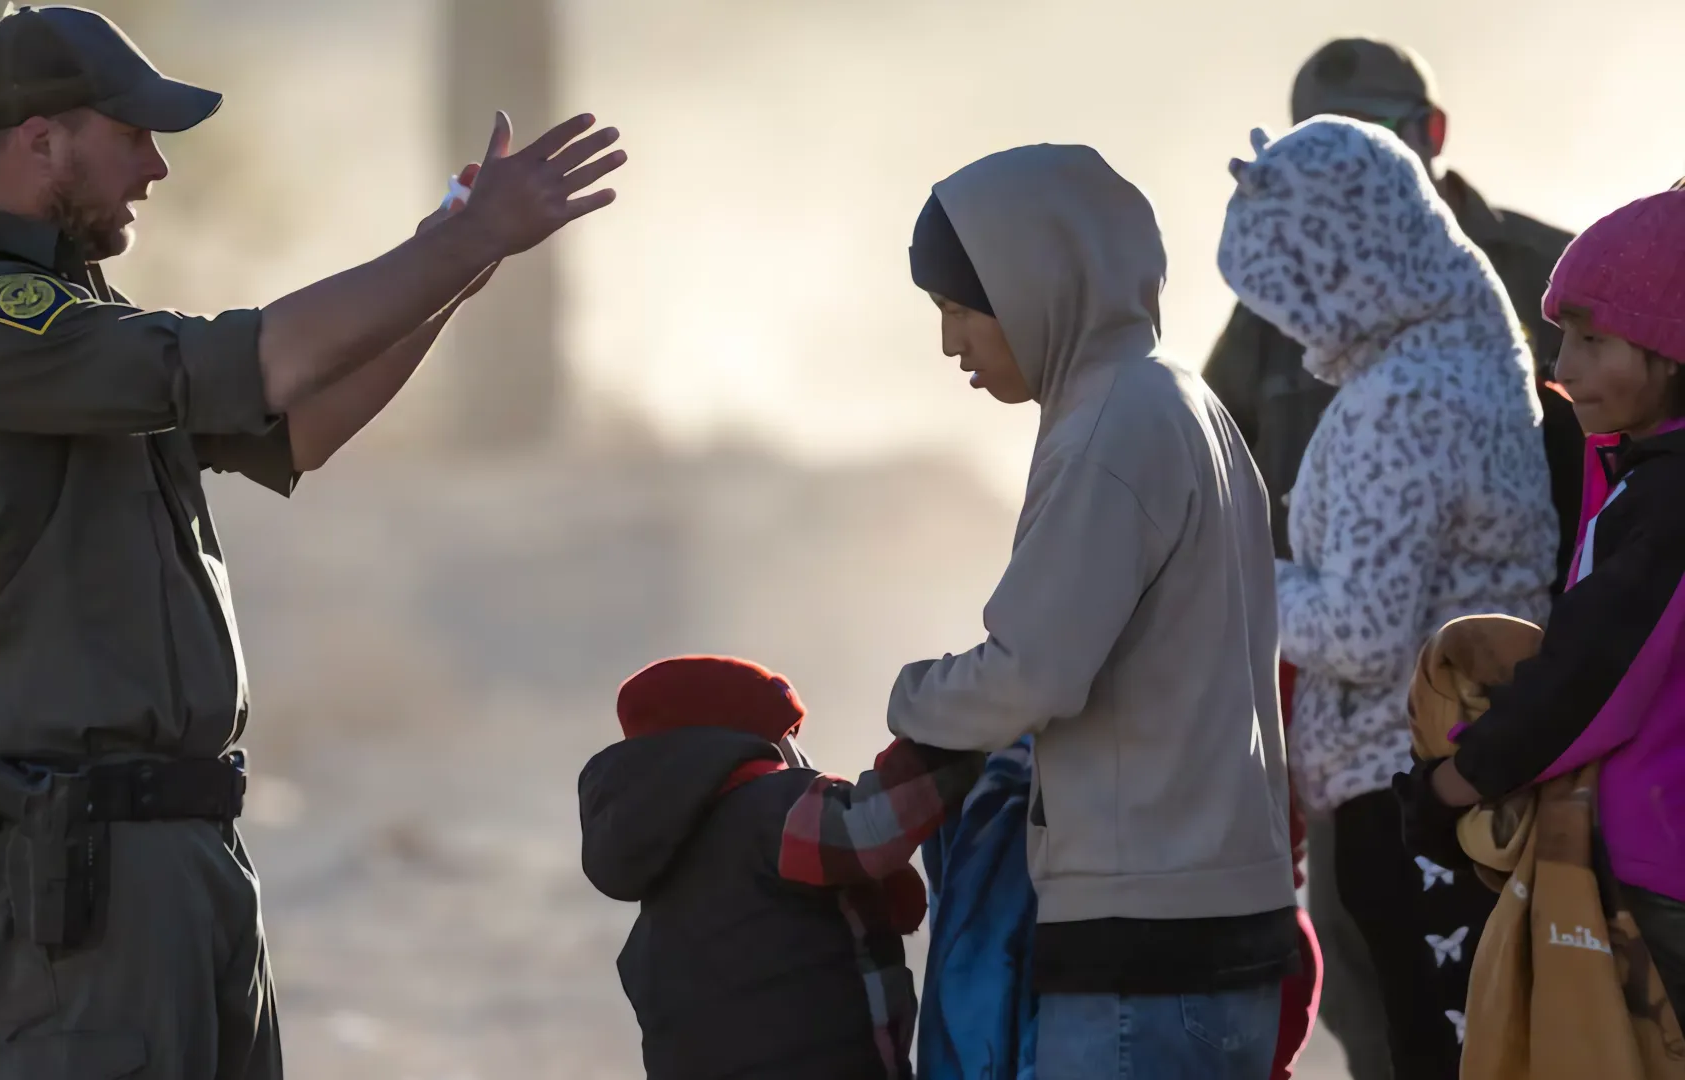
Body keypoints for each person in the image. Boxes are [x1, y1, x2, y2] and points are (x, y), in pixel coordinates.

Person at [0, 6, 625, 1077]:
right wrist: (464, 239)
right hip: (86, 874)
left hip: (172, 853)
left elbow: (295, 428)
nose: (155, 166)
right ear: (40, 139)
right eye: (131, 133)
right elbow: (258, 360)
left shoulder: (65, 308)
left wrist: (453, 268)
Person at [1203, 43, 1581, 1078]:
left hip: (1407, 792)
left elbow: (1369, 633)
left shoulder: (1403, 403)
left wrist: (1235, 584)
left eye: (1293, 289)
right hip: (1453, 774)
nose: (1288, 321)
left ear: (1342, 261)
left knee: (1429, 1045)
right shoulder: (1459, 343)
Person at [891, 143, 1300, 1080]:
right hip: (1215, 927)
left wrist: (910, 702)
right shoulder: (1184, 400)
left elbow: (1030, 675)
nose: (951, 342)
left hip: (1144, 948)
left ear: (1035, 285)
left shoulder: (1113, 426)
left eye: (960, 307)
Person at [1407, 189, 1685, 1012]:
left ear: (1672, 348)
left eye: (1593, 340)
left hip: (1660, 875)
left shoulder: (1667, 502)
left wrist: (1455, 784)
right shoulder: (1637, 473)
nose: (1562, 368)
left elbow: (1595, 675)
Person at [577, 655, 984, 1080]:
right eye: (786, 732)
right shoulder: (772, 812)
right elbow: (870, 827)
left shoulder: (661, 898)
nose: (797, 751)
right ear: (737, 739)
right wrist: (959, 730)